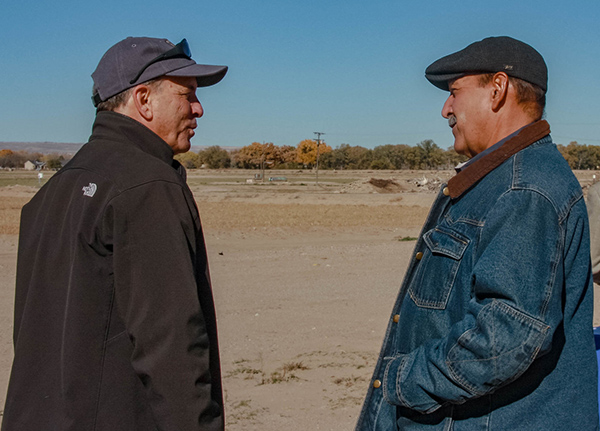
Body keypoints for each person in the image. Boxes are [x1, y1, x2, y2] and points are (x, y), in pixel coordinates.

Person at [355, 36, 599, 430]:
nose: (445, 109)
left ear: (498, 90)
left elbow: (508, 335)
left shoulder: (525, 188)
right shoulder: (501, 179)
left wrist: (402, 378)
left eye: (454, 93)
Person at [2, 37, 228, 431]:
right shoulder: (148, 186)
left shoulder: (53, 190)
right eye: (186, 94)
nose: (198, 108)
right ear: (143, 99)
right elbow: (172, 346)